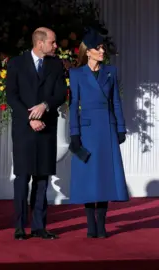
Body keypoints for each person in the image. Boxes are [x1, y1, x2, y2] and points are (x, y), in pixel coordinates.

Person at [5, 27, 67, 240]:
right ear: (40, 43)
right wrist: (30, 118)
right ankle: (20, 227)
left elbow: (61, 93)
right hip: (24, 129)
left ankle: (39, 226)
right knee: (23, 177)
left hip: (47, 128)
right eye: (53, 42)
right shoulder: (16, 63)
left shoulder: (56, 64)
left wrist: (45, 105)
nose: (56, 46)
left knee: (42, 178)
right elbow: (11, 96)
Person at [68, 28, 128, 238]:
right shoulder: (76, 74)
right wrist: (74, 134)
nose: (102, 51)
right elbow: (74, 104)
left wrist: (121, 127)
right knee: (88, 176)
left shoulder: (111, 71)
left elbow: (116, 103)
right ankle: (90, 224)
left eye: (102, 47)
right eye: (98, 48)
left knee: (104, 176)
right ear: (88, 51)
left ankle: (101, 224)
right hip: (86, 131)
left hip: (107, 129)